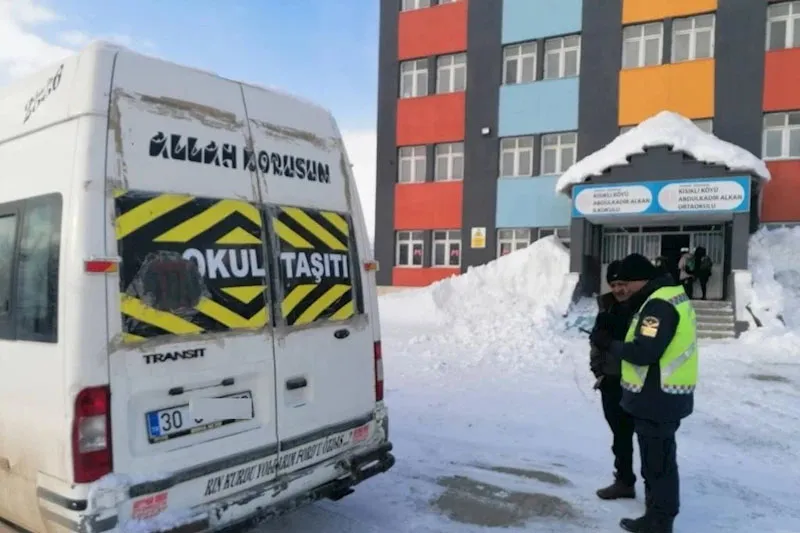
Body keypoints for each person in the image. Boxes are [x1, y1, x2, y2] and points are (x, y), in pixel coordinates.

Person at [589, 253, 698, 533]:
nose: (622, 289)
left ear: (640, 280)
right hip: (663, 395)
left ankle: (659, 520)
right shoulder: (669, 296)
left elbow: (643, 352)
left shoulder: (658, 305)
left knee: (657, 463)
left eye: (627, 282)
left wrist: (610, 345)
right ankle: (657, 513)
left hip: (657, 397)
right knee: (659, 459)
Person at [590, 260, 638, 501]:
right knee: (620, 437)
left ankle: (656, 491)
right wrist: (598, 371)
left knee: (648, 440)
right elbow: (595, 343)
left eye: (624, 283)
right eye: (614, 284)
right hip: (611, 382)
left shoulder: (644, 308)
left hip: (638, 385)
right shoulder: (606, 308)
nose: (619, 289)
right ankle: (624, 481)